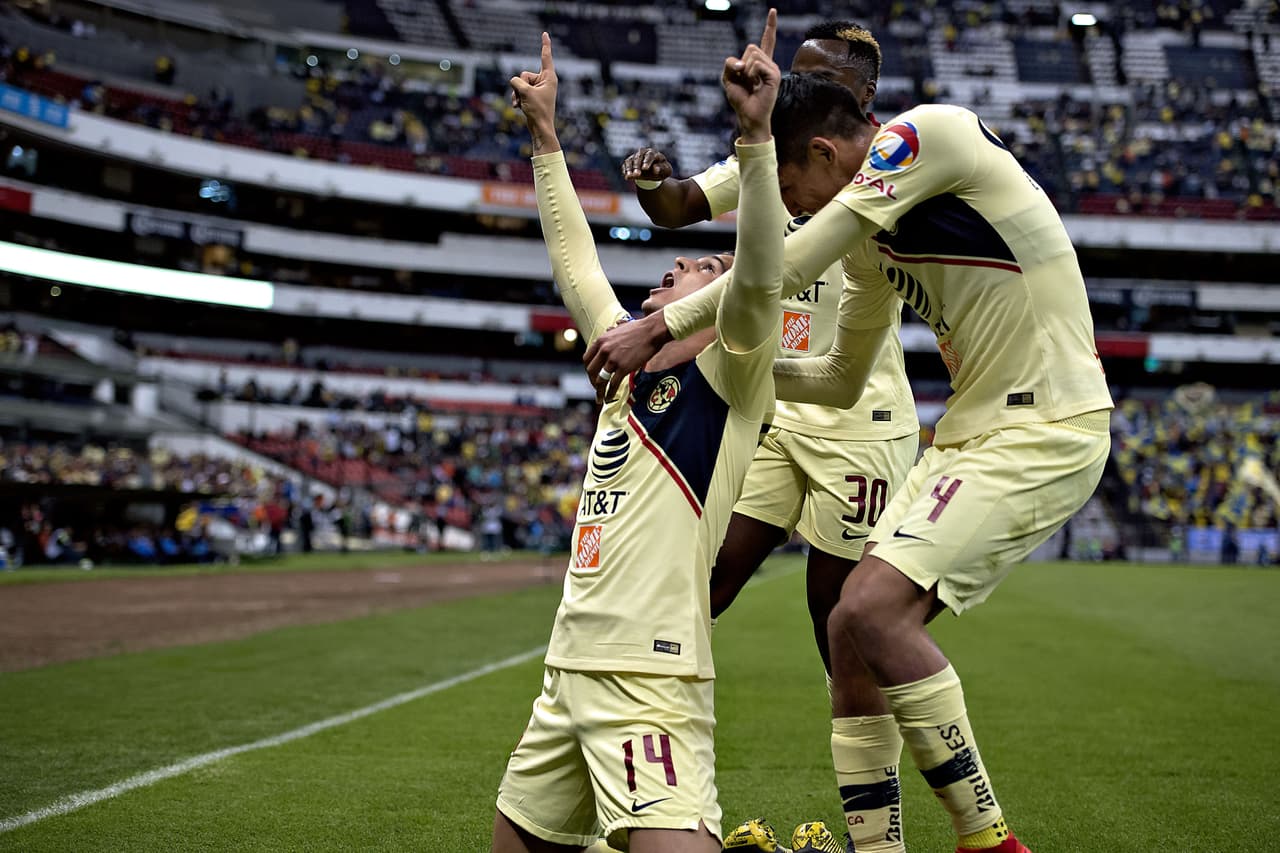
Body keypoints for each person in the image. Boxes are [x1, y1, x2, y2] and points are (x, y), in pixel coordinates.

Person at [585, 74, 1115, 853]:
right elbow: (838, 376)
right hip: (970, 432)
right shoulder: (872, 240)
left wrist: (665, 326)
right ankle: (879, 846)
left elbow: (783, 269)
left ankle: (990, 841)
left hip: (1048, 418)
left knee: (869, 607)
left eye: (796, 189)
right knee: (847, 630)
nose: (797, 207)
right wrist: (727, 374)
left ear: (829, 152)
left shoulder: (922, 135)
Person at [492, 18, 788, 853]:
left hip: (650, 678)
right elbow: (578, 263)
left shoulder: (731, 374)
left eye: (694, 265)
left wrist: (756, 137)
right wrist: (547, 136)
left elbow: (762, 270)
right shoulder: (627, 367)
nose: (672, 267)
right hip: (567, 668)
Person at [626, 24, 919, 851]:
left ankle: (878, 832)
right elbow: (682, 204)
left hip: (859, 423)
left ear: (854, 102)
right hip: (775, 414)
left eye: (807, 79)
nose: (788, 86)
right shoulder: (776, 146)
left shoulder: (888, 171)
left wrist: (669, 330)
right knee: (703, 576)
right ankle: (642, 763)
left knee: (843, 627)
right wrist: (654, 183)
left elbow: (771, 275)